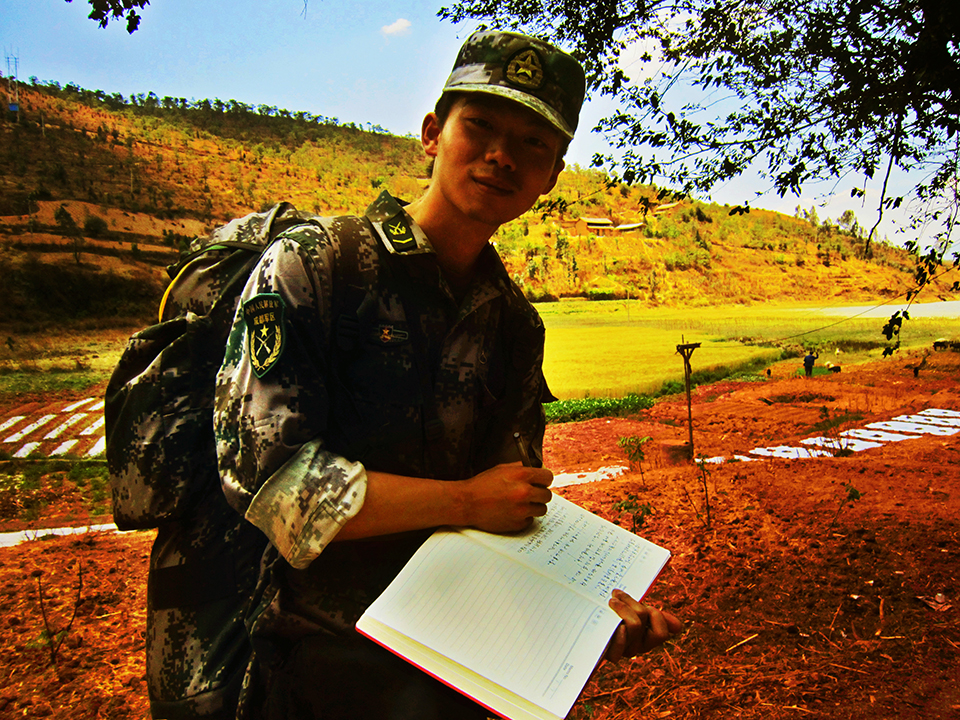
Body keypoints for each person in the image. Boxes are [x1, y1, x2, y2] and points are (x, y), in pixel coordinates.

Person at [214, 30, 681, 719]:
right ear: (433, 133)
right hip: (320, 656)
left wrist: (584, 619)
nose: (501, 156)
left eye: (533, 144)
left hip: (461, 650)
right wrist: (464, 501)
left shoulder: (514, 323)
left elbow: (510, 507)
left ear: (552, 175)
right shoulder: (319, 267)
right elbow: (280, 491)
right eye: (481, 126)